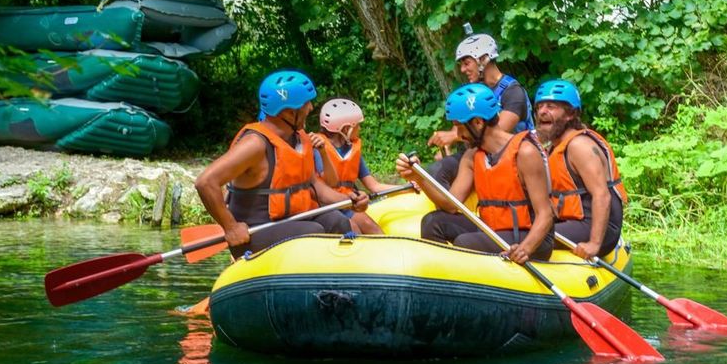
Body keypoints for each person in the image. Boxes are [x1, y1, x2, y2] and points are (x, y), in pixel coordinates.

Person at [194, 70, 368, 258]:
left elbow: (315, 185)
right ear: (288, 111)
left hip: (293, 219)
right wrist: (231, 227)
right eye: (306, 103)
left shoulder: (300, 138)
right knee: (313, 231)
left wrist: (349, 201)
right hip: (256, 230)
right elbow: (205, 182)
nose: (310, 108)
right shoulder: (255, 144)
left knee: (338, 222)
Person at [397, 83, 553, 264]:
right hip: (495, 228)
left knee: (465, 242)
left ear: (478, 122)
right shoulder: (472, 156)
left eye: (459, 127)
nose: (458, 134)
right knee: (433, 222)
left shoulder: (525, 152)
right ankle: (442, 279)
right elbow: (451, 205)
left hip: (532, 237)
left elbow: (545, 214)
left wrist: (526, 248)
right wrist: (419, 178)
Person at [534, 79, 627, 261]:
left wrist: (594, 243)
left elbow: (602, 195)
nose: (542, 112)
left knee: (530, 237)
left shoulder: (579, 146)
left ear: (570, 114)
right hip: (572, 220)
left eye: (551, 106)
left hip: (597, 226)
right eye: (539, 107)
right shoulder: (554, 146)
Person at [426, 30, 534, 185]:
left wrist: (453, 137)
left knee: (439, 170)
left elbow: (497, 131)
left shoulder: (513, 92)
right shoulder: (476, 91)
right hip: (481, 155)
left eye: (466, 63)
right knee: (437, 168)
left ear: (483, 59)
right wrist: (446, 144)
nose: (462, 70)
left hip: (511, 157)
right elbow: (459, 126)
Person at [316, 98, 394, 235]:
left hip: (349, 203)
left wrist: (407, 187)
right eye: (358, 125)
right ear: (346, 128)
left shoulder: (353, 150)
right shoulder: (318, 147)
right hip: (326, 204)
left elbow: (373, 186)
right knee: (354, 229)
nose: (360, 129)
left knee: (373, 228)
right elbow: (326, 184)